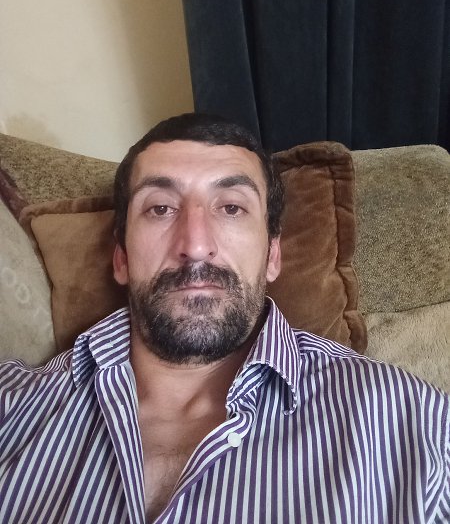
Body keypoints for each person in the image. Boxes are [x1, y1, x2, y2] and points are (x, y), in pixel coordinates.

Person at [0, 113, 448, 524]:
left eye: (231, 207)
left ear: (272, 255)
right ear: (121, 257)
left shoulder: (413, 420)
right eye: (160, 208)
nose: (195, 245)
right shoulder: (15, 408)